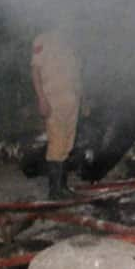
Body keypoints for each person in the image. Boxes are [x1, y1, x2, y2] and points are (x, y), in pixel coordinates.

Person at [31, 22, 82, 200]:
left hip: (71, 100)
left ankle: (63, 186)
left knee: (67, 143)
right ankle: (54, 190)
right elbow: (35, 72)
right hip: (53, 100)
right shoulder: (42, 40)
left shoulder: (70, 43)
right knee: (56, 143)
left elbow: (76, 74)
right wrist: (42, 99)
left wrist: (82, 98)